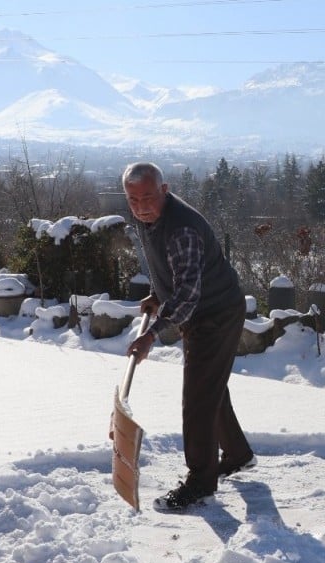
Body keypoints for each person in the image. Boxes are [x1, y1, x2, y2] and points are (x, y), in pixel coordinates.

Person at [122, 162, 255, 513]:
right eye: (133, 200)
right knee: (208, 387)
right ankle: (238, 454)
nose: (141, 207)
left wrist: (151, 335)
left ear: (164, 190)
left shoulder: (182, 228)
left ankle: (200, 483)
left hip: (215, 313)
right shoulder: (150, 219)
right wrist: (158, 293)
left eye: (148, 197)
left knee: (197, 399)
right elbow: (175, 270)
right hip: (204, 309)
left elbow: (187, 295)